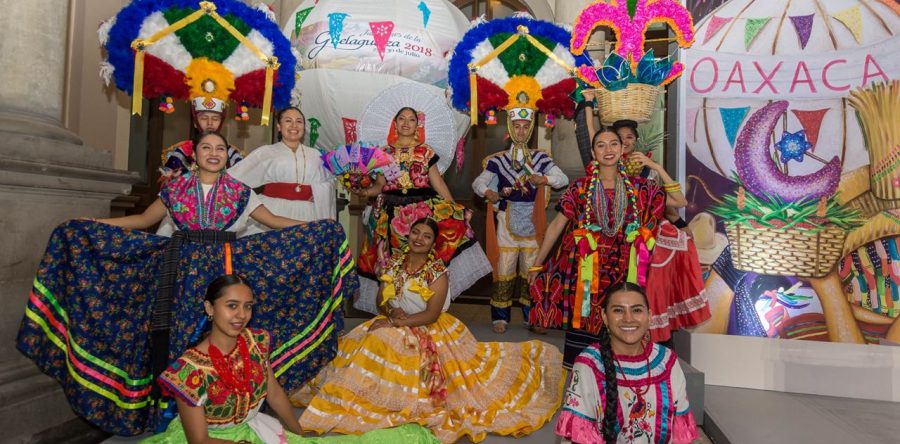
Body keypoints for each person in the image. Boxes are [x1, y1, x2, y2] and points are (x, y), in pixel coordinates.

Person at [16, 131, 356, 435]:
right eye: (206, 147)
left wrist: (319, 226)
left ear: (227, 156)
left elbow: (272, 220)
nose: (213, 153)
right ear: (195, 154)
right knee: (182, 338)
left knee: (228, 336)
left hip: (225, 270)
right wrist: (95, 222)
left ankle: (226, 406)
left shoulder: (240, 191)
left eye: (220, 148)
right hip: (180, 273)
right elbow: (142, 220)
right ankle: (177, 413)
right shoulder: (174, 190)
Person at [298, 218, 564, 443]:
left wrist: (395, 322)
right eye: (415, 232)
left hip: (428, 326)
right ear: (408, 234)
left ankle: (388, 399)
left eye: (426, 236)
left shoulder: (437, 272)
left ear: (432, 243)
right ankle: (368, 396)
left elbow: (432, 314)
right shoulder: (394, 264)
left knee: (382, 339)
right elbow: (381, 299)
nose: (419, 238)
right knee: (367, 339)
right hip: (395, 320)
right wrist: (390, 312)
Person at [144, 274, 439, 444]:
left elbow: (273, 393)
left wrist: (300, 436)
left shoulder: (253, 342)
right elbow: (200, 442)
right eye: (231, 306)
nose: (240, 315)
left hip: (254, 431)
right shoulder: (189, 370)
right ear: (209, 308)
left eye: (247, 307)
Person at [529, 127, 667, 368]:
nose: (608, 150)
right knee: (583, 327)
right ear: (593, 152)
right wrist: (537, 264)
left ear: (623, 148)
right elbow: (556, 226)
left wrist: (655, 167)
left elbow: (677, 201)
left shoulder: (641, 188)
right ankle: (579, 388)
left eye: (613, 143)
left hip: (624, 269)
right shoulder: (580, 187)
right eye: (601, 145)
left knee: (622, 322)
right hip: (586, 272)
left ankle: (623, 384)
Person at [353, 107, 490, 314]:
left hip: (422, 213)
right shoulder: (384, 153)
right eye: (401, 119)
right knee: (394, 262)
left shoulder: (426, 152)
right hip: (390, 217)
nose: (406, 123)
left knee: (422, 260)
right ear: (395, 123)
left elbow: (439, 184)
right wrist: (364, 192)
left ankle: (422, 308)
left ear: (418, 125)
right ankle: (395, 307)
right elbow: (380, 186)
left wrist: (455, 208)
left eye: (411, 120)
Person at [556, 282, 700, 444]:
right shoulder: (589, 365)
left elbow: (681, 435)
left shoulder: (666, 361)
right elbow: (581, 437)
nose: (628, 318)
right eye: (618, 310)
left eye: (637, 310)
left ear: (649, 315)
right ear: (604, 317)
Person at [472, 107, 569, 334]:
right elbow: (478, 183)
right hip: (506, 218)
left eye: (526, 127)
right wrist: (488, 192)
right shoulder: (498, 160)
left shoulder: (541, 158)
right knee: (504, 268)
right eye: (517, 126)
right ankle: (500, 317)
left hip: (534, 220)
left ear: (531, 129)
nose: (522, 131)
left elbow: (562, 179)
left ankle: (531, 316)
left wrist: (543, 178)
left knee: (530, 270)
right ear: (510, 127)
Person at [227, 107, 336, 235]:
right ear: (279, 126)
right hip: (273, 211)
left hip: (309, 213)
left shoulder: (316, 155)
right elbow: (233, 179)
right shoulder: (266, 152)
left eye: (299, 121)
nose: (294, 125)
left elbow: (329, 181)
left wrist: (317, 192)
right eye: (288, 121)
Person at [158, 96, 244, 182]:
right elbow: (171, 182)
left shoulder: (231, 153)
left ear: (221, 123)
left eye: (215, 119)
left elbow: (242, 179)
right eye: (204, 118)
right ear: (195, 123)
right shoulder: (183, 151)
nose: (210, 123)